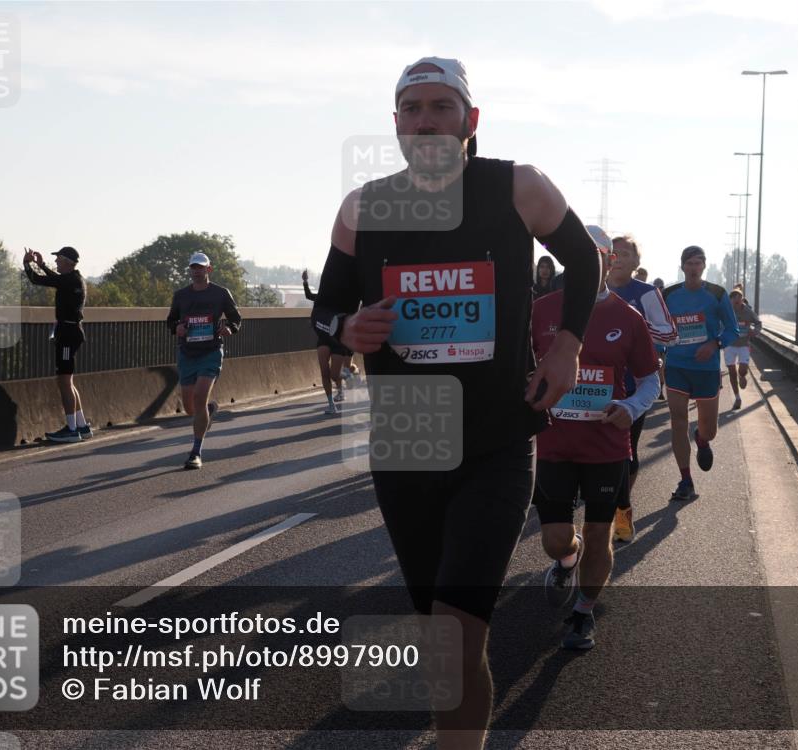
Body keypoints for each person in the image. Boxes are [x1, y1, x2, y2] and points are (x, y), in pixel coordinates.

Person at [312, 57, 600, 749]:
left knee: (455, 628)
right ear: (396, 125)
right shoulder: (362, 208)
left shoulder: (516, 186)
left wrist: (566, 346)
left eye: (442, 106)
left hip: (496, 442)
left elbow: (584, 257)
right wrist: (347, 329)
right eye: (412, 108)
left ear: (470, 121)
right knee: (442, 645)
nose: (426, 120)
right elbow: (325, 310)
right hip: (407, 443)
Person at [533, 226, 659, 649]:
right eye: (579, 254)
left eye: (598, 254)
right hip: (554, 443)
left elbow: (648, 381)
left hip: (606, 445)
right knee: (553, 540)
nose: (590, 261)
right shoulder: (541, 311)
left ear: (608, 259)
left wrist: (630, 408)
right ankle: (568, 558)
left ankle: (583, 613)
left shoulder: (628, 317)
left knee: (602, 533)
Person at [606, 235, 676, 542]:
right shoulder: (594, 286)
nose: (618, 258)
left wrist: (632, 324)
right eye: (614, 252)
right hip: (592, 383)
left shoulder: (646, 294)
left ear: (637, 262)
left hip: (635, 386)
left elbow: (670, 333)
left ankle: (621, 508)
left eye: (625, 253)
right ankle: (602, 507)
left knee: (624, 451)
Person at [662, 246, 739, 501]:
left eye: (698, 263)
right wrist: (657, 353)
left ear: (704, 267)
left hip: (705, 370)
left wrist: (715, 344)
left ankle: (702, 441)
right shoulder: (669, 294)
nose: (694, 268)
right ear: (682, 266)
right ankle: (686, 479)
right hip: (676, 367)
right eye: (689, 263)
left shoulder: (717, 294)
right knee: (678, 420)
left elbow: (732, 330)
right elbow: (658, 327)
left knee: (709, 430)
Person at [167, 252, 241, 470]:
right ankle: (208, 410)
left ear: (209, 269)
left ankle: (196, 452)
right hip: (187, 353)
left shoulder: (220, 294)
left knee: (199, 398)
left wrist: (229, 328)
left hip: (211, 352)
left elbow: (236, 318)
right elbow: (170, 320)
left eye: (200, 267)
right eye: (193, 267)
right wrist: (176, 328)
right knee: (191, 407)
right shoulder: (181, 295)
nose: (196, 271)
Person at [22, 245, 90, 443]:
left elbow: (37, 280)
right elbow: (56, 279)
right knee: (68, 382)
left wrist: (28, 263)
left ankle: (71, 429)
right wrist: (41, 264)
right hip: (72, 331)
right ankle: (81, 425)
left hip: (68, 334)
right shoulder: (75, 279)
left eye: (58, 259)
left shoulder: (68, 280)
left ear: (67, 262)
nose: (56, 262)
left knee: (64, 381)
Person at [303, 268, 353, 414]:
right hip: (324, 339)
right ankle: (331, 405)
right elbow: (308, 295)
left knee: (334, 375)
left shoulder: (343, 300)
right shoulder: (321, 298)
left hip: (337, 341)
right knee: (324, 372)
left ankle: (346, 375)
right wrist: (305, 281)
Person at [724, 286, 762, 410]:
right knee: (731, 372)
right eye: (733, 300)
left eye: (738, 299)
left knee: (743, 370)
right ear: (730, 301)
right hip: (730, 345)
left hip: (744, 345)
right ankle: (737, 398)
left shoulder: (748, 311)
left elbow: (758, 323)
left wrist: (755, 332)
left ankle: (742, 376)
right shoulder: (726, 311)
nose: (736, 302)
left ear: (742, 299)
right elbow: (718, 324)